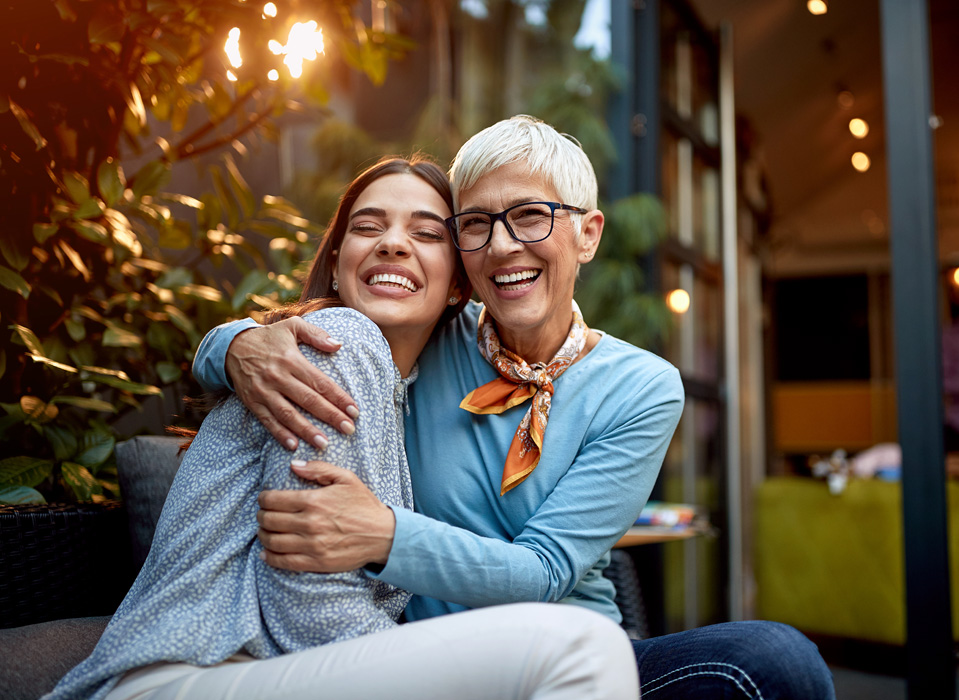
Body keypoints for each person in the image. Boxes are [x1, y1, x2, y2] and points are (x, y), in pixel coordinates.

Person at [195, 116, 836, 698]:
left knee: (774, 660)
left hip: (578, 658)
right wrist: (233, 345)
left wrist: (383, 534)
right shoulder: (427, 335)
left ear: (587, 234)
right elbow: (325, 330)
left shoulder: (643, 387)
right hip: (427, 661)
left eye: (530, 215)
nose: (502, 246)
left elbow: (547, 569)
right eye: (475, 224)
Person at [47, 156, 640, 700]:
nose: (393, 244)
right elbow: (309, 607)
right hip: (193, 675)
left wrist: (226, 342)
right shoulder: (341, 343)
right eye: (367, 226)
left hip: (267, 671)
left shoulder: (402, 384)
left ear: (460, 284)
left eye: (428, 233)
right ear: (335, 259)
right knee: (584, 649)